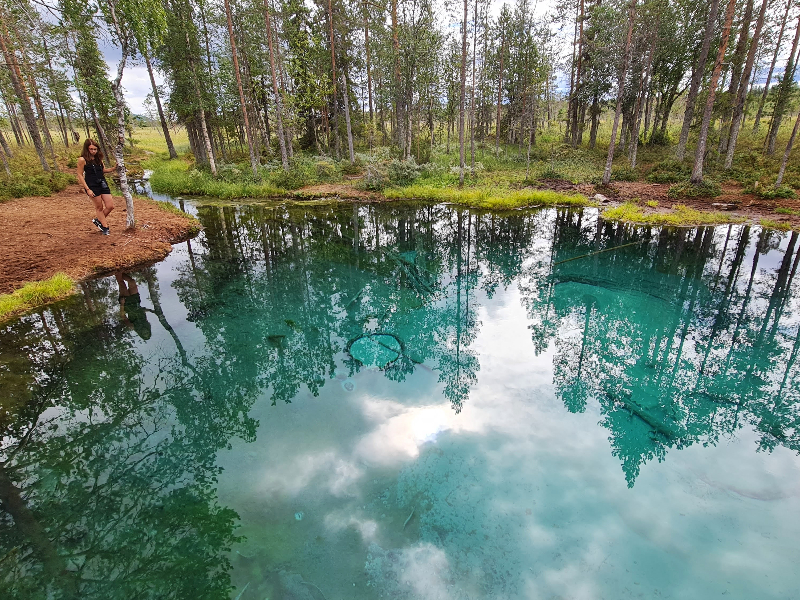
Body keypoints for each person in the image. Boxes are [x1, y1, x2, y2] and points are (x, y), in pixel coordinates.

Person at [77, 138, 115, 235]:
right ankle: (105, 227)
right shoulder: (82, 160)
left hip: (102, 183)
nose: (93, 151)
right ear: (87, 149)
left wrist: (114, 168)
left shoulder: (98, 158)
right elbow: (80, 175)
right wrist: (88, 189)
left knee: (110, 206)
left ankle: (98, 221)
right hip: (92, 185)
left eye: (95, 149)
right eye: (91, 149)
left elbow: (103, 170)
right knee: (99, 207)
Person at [116, 272, 152, 340]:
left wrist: (122, 304)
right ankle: (120, 272)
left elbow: (123, 316)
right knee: (132, 281)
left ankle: (117, 271)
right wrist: (148, 310)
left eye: (144, 334)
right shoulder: (145, 322)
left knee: (122, 284)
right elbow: (141, 310)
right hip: (136, 300)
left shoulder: (132, 326)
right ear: (149, 331)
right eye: (147, 333)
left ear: (141, 333)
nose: (145, 332)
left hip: (127, 303)